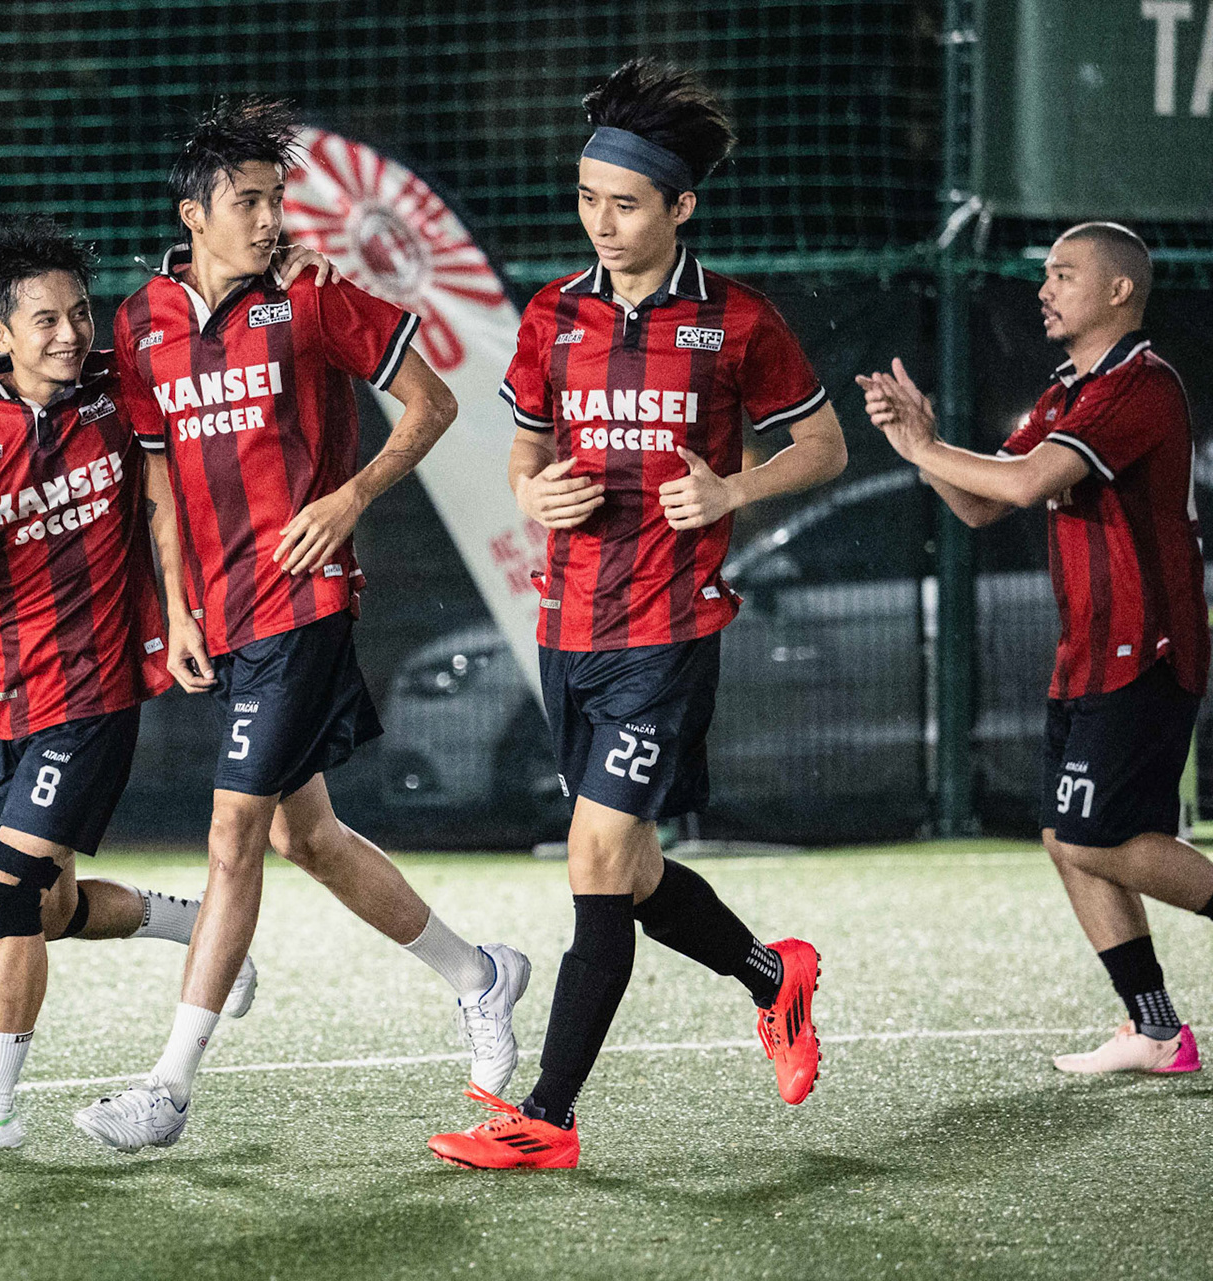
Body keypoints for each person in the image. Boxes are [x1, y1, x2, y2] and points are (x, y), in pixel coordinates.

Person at [71, 98, 532, 1154]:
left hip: (304, 602)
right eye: (248, 202)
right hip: (224, 616)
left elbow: (432, 405)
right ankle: (481, 973)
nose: (271, 219)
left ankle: (168, 1092)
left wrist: (350, 497)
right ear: (194, 214)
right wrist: (178, 607)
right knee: (302, 834)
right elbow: (160, 476)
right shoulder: (143, 323)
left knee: (234, 836)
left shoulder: (317, 300)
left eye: (278, 200)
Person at [429, 60, 848, 1171]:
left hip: (671, 629)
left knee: (597, 854)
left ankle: (547, 1120)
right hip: (568, 630)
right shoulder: (553, 315)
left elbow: (824, 445)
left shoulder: (737, 322)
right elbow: (524, 452)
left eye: (624, 203)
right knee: (633, 868)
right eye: (586, 199)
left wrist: (732, 490)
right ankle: (775, 977)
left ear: (680, 207)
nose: (601, 223)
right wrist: (533, 490)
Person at [0, 218, 338, 1152]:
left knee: (8, 897)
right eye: (45, 319)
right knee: (46, 910)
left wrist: (289, 274)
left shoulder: (117, 389)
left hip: (92, 693)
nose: (70, 333)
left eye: (79, 313)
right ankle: (187, 922)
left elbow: (200, 340)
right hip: (0, 702)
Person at [859, 220, 1209, 1077]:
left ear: (1119, 291)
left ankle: (1159, 1028)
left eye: (1064, 274)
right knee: (1066, 835)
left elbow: (1021, 482)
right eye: (1044, 274)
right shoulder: (1066, 393)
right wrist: (920, 447)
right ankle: (1157, 1030)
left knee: (1093, 835)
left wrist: (928, 446)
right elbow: (983, 504)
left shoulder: (1139, 384)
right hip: (1087, 652)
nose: (1044, 289)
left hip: (1146, 648)